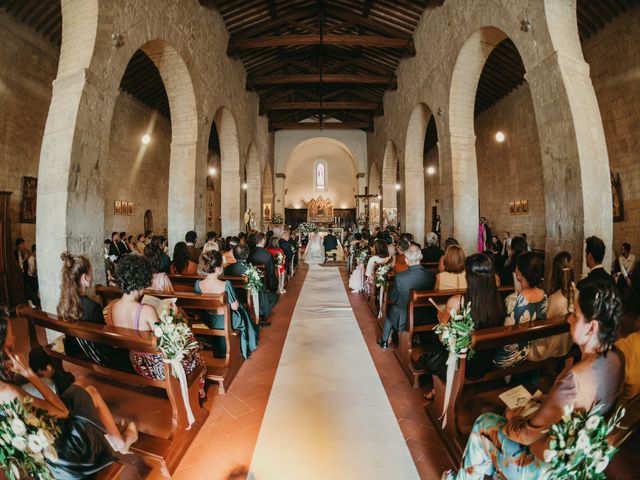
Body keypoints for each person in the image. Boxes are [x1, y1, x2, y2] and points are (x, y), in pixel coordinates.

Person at [442, 281, 624, 480]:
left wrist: (512, 417)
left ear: (592, 328)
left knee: (484, 424)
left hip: (545, 469)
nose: (569, 319)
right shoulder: (617, 359)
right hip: (577, 462)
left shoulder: (575, 378)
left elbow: (525, 435)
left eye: (576, 315)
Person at [0, 312, 138, 478]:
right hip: (67, 457)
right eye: (10, 334)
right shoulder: (8, 391)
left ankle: (116, 439)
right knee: (87, 393)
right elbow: (62, 412)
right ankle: (120, 443)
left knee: (80, 389)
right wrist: (30, 374)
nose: (14, 337)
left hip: (45, 451)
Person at [107, 255, 203, 392]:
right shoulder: (146, 310)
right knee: (194, 351)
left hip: (134, 360)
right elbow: (165, 341)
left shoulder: (113, 306)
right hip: (151, 366)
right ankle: (196, 393)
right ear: (143, 278)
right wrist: (174, 316)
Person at [420, 253, 505, 398]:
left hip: (464, 363)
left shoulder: (457, 302)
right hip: (486, 360)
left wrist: (442, 320)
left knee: (433, 348)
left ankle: (439, 387)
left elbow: (443, 338)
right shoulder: (499, 301)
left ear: (469, 276)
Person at [57, 252, 132, 372]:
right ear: (83, 277)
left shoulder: (63, 303)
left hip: (77, 349)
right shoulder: (93, 307)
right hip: (100, 357)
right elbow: (105, 341)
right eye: (90, 273)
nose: (92, 277)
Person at [196, 251, 259, 359]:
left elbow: (199, 305)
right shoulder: (225, 284)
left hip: (208, 319)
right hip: (225, 320)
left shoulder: (198, 284)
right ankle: (246, 346)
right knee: (241, 313)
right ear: (218, 268)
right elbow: (234, 307)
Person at [494, 252, 548, 369]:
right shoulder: (544, 295)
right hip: (526, 350)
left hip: (507, 357)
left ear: (519, 274)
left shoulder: (513, 300)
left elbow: (503, 331)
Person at [379, 245, 435, 348]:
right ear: (421, 257)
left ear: (406, 260)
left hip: (404, 319)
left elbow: (392, 298)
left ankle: (384, 341)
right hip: (426, 316)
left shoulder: (400, 277)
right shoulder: (432, 275)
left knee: (390, 310)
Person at [528, 251, 574, 362]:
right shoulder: (577, 293)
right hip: (568, 345)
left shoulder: (554, 299)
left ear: (554, 273)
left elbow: (543, 332)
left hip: (552, 347)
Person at [224, 243, 277, 325]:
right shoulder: (250, 269)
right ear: (247, 255)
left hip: (233, 297)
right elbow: (260, 287)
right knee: (273, 297)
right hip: (246, 296)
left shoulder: (227, 269)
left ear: (234, 255)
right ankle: (261, 316)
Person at [24, 243, 40, 308]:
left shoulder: (40, 257)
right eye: (36, 251)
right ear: (33, 252)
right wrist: (36, 265)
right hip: (31, 278)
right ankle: (34, 302)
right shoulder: (30, 259)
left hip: (37, 276)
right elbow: (33, 272)